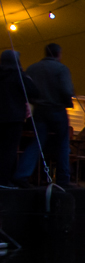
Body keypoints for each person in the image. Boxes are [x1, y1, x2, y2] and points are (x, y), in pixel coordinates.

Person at [13, 43, 75, 187]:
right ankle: (63, 179)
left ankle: (22, 174)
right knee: (62, 144)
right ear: (58, 53)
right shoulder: (61, 69)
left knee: (37, 143)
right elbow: (66, 90)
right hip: (57, 108)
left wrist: (33, 100)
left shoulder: (32, 68)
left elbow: (26, 88)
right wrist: (67, 102)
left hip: (39, 109)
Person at [0, 50, 38, 188]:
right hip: (13, 117)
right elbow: (34, 91)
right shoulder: (19, 76)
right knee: (9, 149)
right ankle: (4, 180)